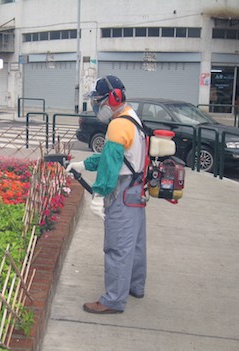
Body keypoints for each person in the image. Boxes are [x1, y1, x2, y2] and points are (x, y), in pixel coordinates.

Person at [66, 75, 147, 314]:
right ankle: (135, 286)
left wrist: (100, 195)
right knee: (136, 243)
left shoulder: (117, 124)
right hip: (136, 188)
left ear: (113, 98)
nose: (96, 107)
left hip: (122, 190)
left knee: (117, 247)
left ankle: (113, 300)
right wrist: (83, 164)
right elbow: (113, 155)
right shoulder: (131, 117)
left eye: (98, 101)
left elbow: (112, 166)